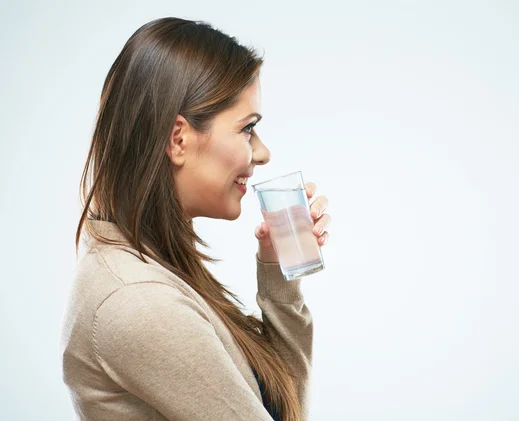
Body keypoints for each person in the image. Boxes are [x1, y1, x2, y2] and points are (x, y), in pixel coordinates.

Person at [59, 17, 331, 421]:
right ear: (178, 139)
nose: (262, 153)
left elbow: (282, 407)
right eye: (247, 129)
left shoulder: (154, 266)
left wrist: (278, 270)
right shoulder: (138, 301)